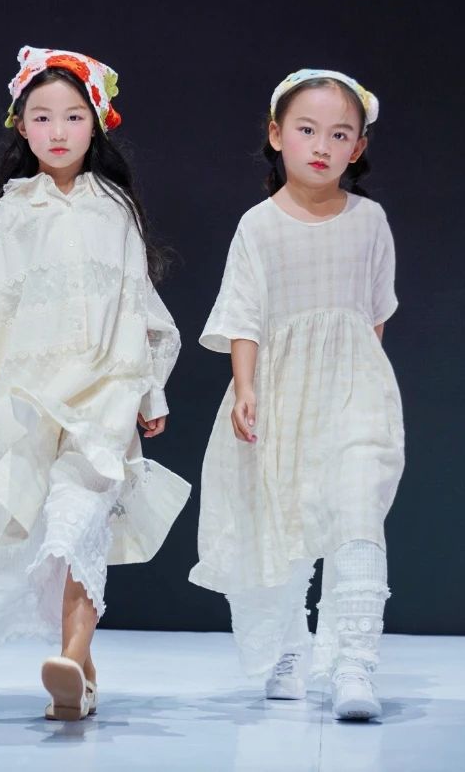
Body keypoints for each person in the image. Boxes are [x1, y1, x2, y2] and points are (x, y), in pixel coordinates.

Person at [0, 46, 188, 721]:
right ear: (21, 126)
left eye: (73, 116)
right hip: (31, 398)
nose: (58, 130)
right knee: (52, 536)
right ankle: (81, 674)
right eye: (42, 117)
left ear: (95, 123)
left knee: (78, 521)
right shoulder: (13, 212)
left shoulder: (114, 209)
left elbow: (138, 304)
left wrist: (151, 390)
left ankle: (71, 656)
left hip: (105, 394)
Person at [190, 69, 404, 721]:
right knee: (281, 517)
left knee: (356, 510)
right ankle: (288, 649)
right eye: (307, 129)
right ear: (277, 134)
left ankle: (354, 662)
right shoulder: (258, 226)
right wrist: (245, 387)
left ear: (357, 147)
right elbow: (244, 315)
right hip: (281, 393)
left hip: (355, 391)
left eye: (339, 134)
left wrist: (364, 381)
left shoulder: (370, 221)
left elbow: (374, 315)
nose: (322, 145)